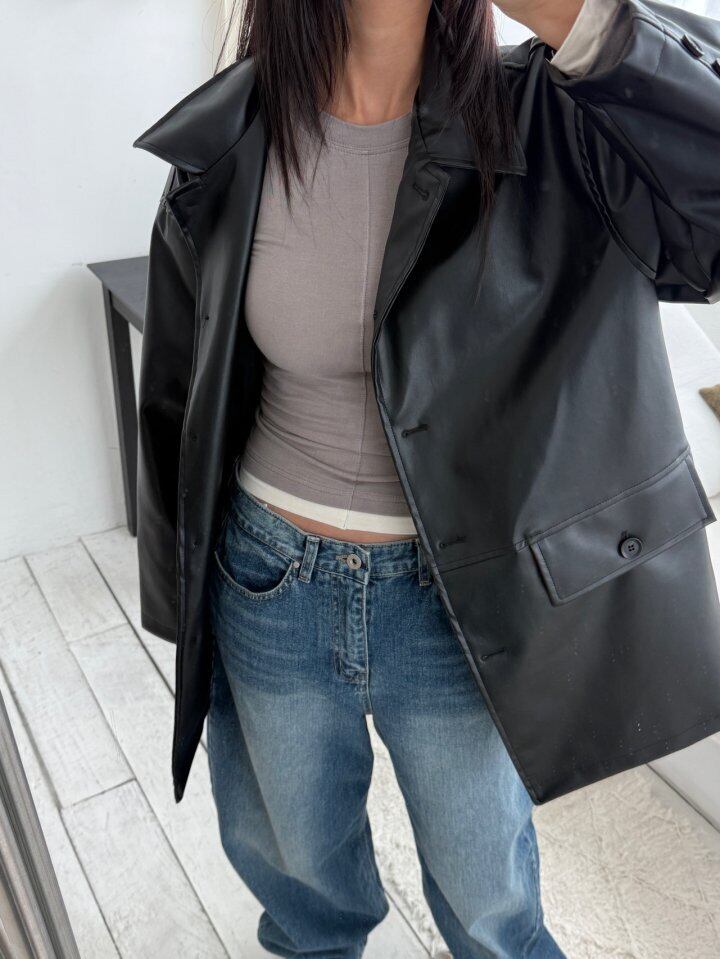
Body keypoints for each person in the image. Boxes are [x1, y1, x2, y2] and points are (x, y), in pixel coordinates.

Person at [132, 0, 720, 956]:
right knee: (301, 887)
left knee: (491, 909)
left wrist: (583, 20)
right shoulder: (236, 133)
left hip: (460, 597)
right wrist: (178, 588)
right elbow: (178, 391)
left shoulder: (558, 119)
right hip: (268, 580)